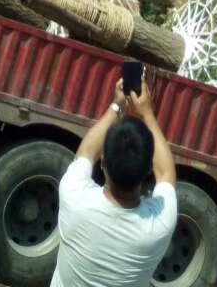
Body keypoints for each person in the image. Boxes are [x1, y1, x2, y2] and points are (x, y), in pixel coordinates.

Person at [51, 77, 177, 287]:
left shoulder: (74, 198)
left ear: (103, 162)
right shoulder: (158, 228)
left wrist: (117, 105)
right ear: (148, 170)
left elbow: (86, 153)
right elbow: (165, 174)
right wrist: (147, 113)